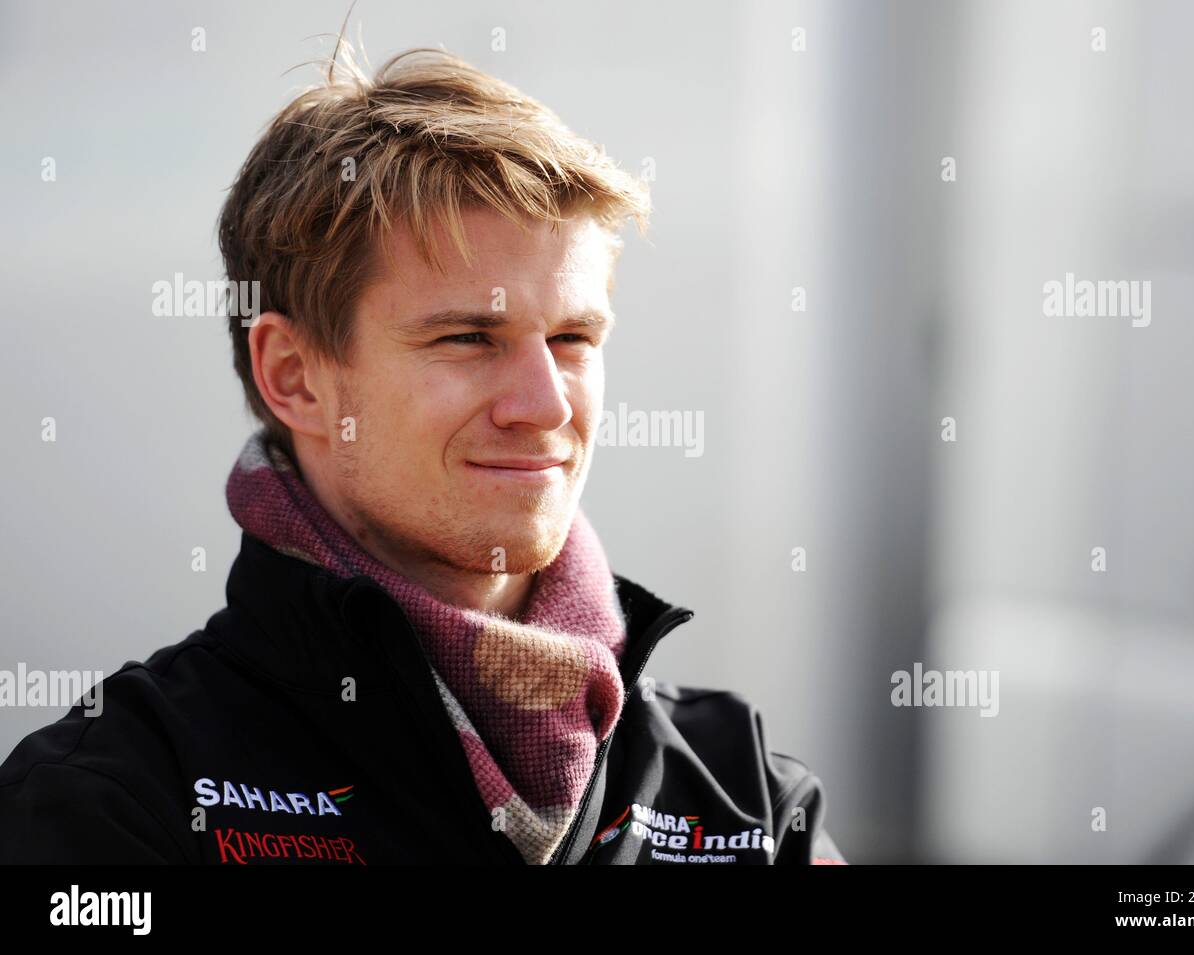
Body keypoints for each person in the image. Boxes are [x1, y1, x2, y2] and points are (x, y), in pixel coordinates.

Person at [0, 36, 847, 866]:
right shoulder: (117, 795)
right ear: (295, 377)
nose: (545, 403)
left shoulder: (746, 794)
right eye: (469, 337)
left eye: (573, 336)